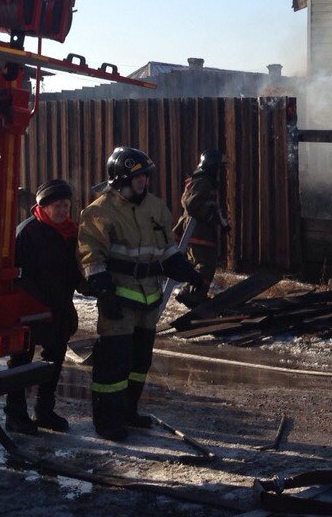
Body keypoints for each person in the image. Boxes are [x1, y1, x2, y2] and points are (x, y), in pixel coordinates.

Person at [78, 146, 206, 441]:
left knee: (139, 364)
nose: (144, 182)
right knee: (113, 365)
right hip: (119, 301)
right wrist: (104, 292)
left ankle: (128, 412)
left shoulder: (156, 207)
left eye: (145, 177)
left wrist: (189, 273)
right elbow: (90, 258)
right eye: (138, 177)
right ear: (121, 178)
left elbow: (167, 251)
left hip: (149, 301)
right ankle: (108, 422)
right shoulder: (98, 212)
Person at [5, 178, 81, 434]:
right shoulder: (27, 232)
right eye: (58, 205)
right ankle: (15, 414)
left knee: (54, 361)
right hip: (30, 310)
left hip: (59, 308)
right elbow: (18, 273)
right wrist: (39, 303)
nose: (63, 211)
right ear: (44, 206)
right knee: (21, 364)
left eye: (66, 205)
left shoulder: (70, 233)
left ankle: (44, 410)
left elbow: (74, 270)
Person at [174, 149, 230, 309]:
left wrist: (220, 220)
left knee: (206, 264)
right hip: (197, 231)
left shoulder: (203, 180)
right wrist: (210, 216)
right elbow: (191, 204)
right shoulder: (202, 180)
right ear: (212, 166)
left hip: (201, 230)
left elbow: (206, 204)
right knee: (204, 264)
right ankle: (190, 294)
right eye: (218, 167)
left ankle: (196, 295)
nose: (219, 172)